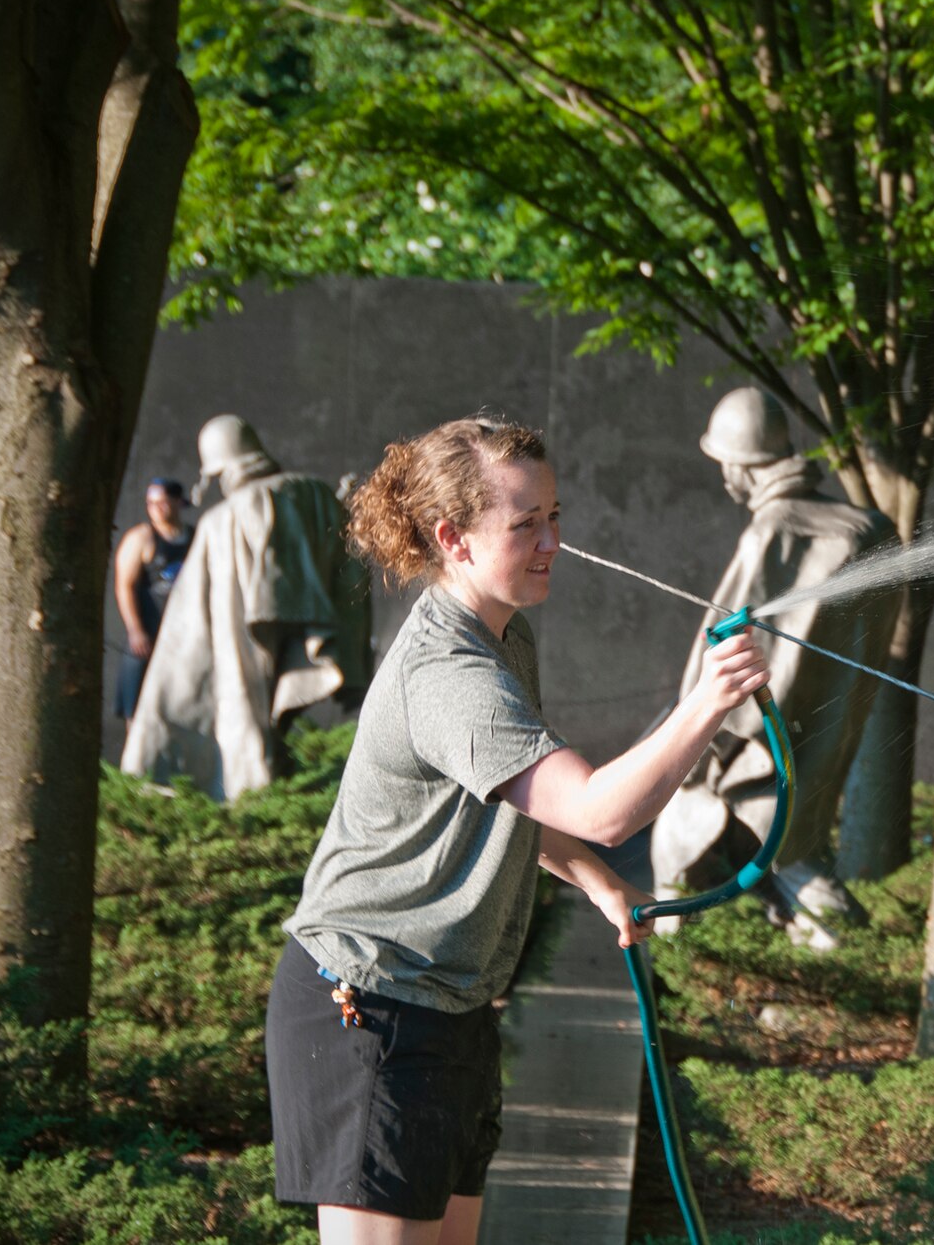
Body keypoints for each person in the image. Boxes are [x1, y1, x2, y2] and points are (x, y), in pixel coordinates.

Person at [268, 416, 770, 1245]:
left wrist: (603, 884)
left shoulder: (507, 634)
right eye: (525, 523)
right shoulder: (451, 673)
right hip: (370, 1005)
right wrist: (708, 704)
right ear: (452, 538)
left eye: (557, 514)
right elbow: (599, 808)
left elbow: (517, 802)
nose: (553, 542)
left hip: (451, 1007)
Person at [649, 388, 897, 950]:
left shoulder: (776, 529)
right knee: (792, 849)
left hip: (752, 749)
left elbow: (719, 645)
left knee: (684, 842)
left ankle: (684, 961)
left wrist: (693, 746)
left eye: (723, 465)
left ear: (738, 466)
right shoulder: (864, 528)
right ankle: (828, 948)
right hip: (821, 739)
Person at [121, 415, 372, 799]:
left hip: (244, 632)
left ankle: (248, 793)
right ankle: (258, 790)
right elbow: (348, 563)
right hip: (309, 627)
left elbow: (191, 625)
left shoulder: (221, 521)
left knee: (241, 701)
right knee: (258, 712)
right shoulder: (317, 494)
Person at [112, 477, 192, 724]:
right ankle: (135, 762)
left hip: (185, 637)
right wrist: (136, 631)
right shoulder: (141, 538)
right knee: (136, 710)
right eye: (150, 503)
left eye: (162, 502)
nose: (155, 508)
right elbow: (124, 585)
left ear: (178, 502)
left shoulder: (196, 538)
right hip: (147, 636)